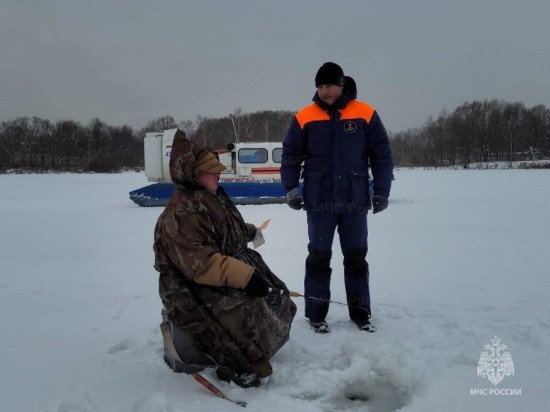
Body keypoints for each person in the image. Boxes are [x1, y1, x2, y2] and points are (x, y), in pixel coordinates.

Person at [153, 129, 296, 387]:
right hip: (190, 288)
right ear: (192, 174)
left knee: (276, 293)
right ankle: (239, 364)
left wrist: (250, 232)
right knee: (241, 310)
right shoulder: (180, 214)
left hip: (221, 269)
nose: (217, 174)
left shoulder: (210, 196)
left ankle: (260, 346)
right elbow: (202, 264)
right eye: (211, 171)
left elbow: (227, 228)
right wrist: (247, 277)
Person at [280, 62, 393, 334]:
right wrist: (291, 188)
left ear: (341, 85)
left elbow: (382, 155)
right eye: (319, 86)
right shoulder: (304, 117)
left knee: (356, 257)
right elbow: (290, 156)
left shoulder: (365, 114)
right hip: (320, 202)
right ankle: (316, 314)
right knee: (319, 257)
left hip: (354, 202)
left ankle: (360, 313)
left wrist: (381, 191)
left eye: (328, 85)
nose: (324, 91)